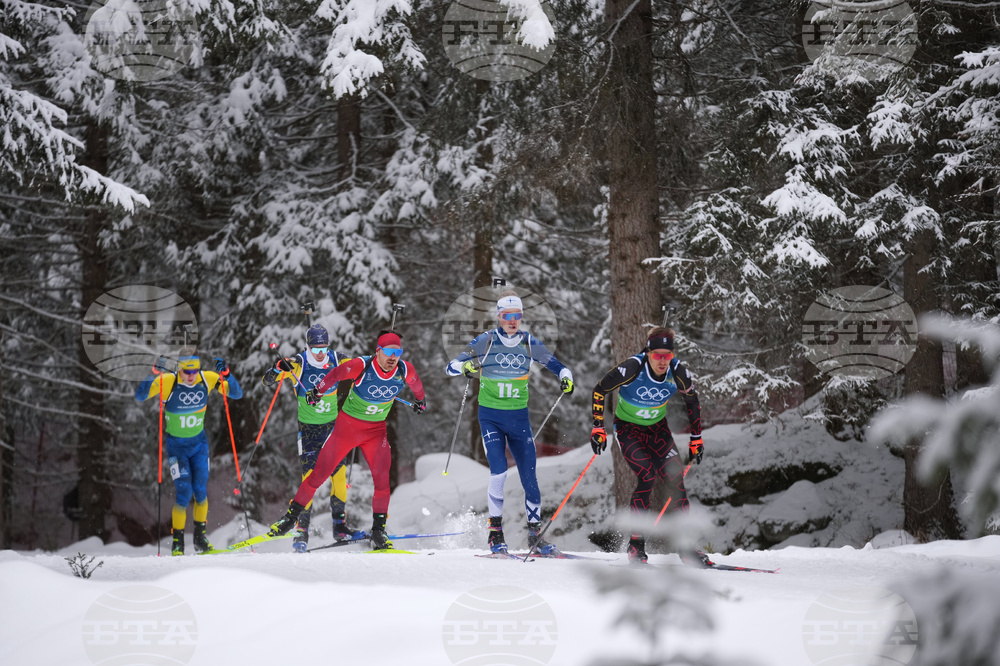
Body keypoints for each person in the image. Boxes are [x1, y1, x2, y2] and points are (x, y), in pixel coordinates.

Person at [266, 330, 426, 550]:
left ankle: (379, 531)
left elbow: (416, 384)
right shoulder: (362, 365)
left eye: (397, 352)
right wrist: (317, 391)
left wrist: (421, 400)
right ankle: (290, 519)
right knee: (318, 475)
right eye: (388, 351)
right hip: (347, 428)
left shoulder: (404, 369)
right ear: (378, 351)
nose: (393, 357)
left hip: (376, 432)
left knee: (382, 481)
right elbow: (334, 375)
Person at [446, 291, 575, 556]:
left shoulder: (529, 343)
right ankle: (495, 535)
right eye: (507, 316)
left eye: (517, 316)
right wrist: (466, 368)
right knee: (499, 472)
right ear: (499, 317)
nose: (512, 320)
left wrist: (566, 377)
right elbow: (451, 366)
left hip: (518, 419)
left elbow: (559, 366)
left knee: (530, 477)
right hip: (491, 418)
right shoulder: (487, 340)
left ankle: (535, 537)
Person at [589, 327, 706, 565]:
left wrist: (696, 438)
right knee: (647, 476)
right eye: (657, 355)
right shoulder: (632, 367)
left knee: (677, 482)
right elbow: (600, 389)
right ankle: (635, 547)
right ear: (648, 352)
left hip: (657, 430)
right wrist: (598, 427)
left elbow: (692, 401)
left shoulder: (678, 371)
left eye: (667, 355)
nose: (662, 361)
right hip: (628, 430)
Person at [135, 350, 243, 556]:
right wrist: (153, 373)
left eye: (195, 370)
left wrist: (227, 375)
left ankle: (201, 541)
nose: (192, 375)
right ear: (179, 370)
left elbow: (236, 394)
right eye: (187, 371)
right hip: (177, 447)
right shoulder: (168, 381)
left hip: (199, 445)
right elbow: (140, 395)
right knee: (184, 493)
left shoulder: (207, 378)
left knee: (201, 491)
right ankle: (178, 543)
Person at [262, 324, 358, 552]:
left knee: (339, 477)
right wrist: (278, 369)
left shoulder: (336, 358)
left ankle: (340, 526)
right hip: (309, 431)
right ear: (307, 346)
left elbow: (360, 369)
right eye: (315, 348)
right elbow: (267, 380)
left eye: (323, 347)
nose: (320, 353)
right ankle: (301, 530)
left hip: (333, 429)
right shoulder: (299, 363)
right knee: (309, 479)